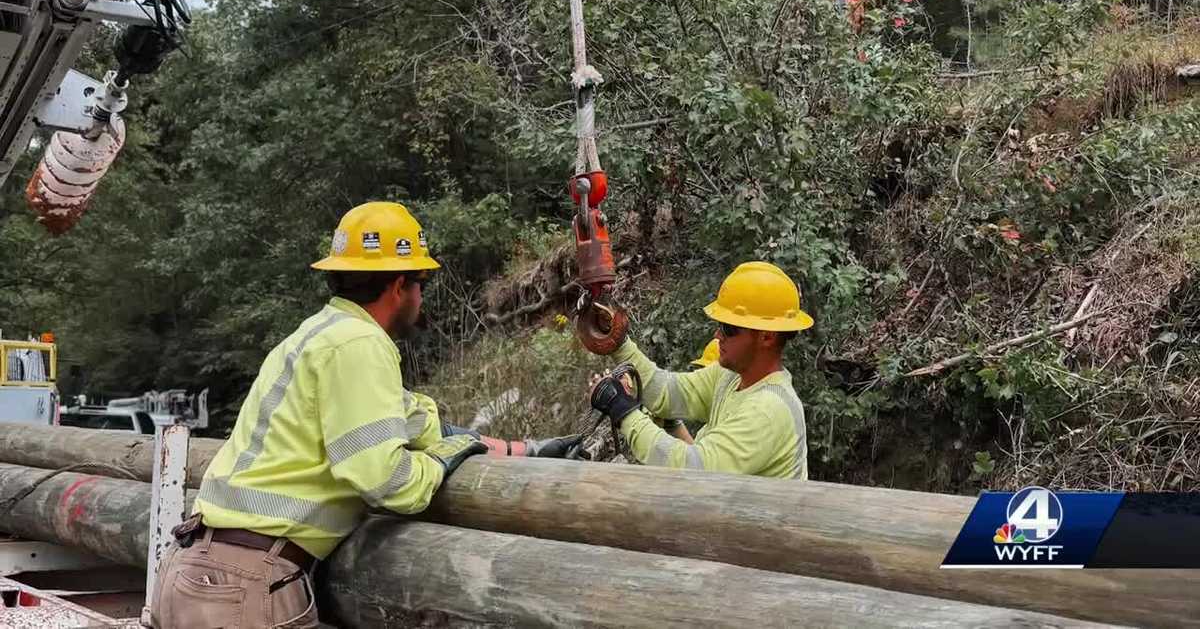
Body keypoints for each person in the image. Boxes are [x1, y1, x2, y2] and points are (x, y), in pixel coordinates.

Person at [149, 202, 568, 629]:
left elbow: (417, 421)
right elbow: (388, 481)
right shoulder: (360, 346)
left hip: (198, 571)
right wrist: (442, 460)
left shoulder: (319, 335)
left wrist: (525, 450)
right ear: (400, 285)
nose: (422, 298)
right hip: (245, 584)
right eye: (421, 283)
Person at [586, 261, 812, 479]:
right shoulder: (730, 376)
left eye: (728, 328)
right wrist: (617, 342)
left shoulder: (768, 410)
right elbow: (666, 391)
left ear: (767, 336)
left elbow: (692, 470)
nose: (717, 335)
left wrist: (623, 410)